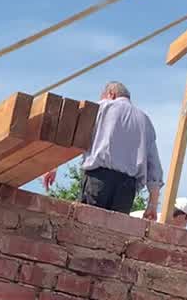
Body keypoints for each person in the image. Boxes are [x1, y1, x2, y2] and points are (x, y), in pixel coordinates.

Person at [45, 82, 163, 217]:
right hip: (126, 189)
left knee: (86, 223)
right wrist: (152, 204)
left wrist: (53, 165)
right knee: (113, 229)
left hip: (98, 180)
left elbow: (71, 133)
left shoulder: (101, 107)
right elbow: (154, 166)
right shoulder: (145, 121)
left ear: (111, 94)